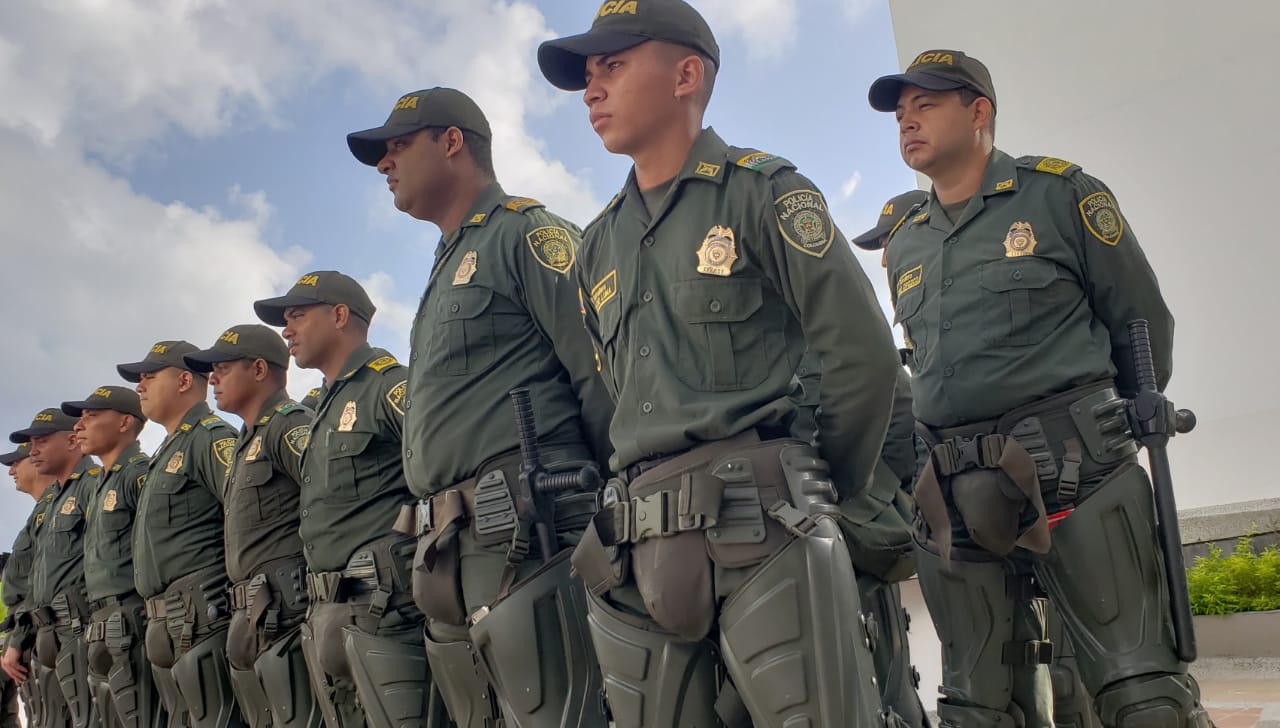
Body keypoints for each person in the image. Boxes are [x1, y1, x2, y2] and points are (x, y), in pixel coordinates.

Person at [538, 2, 901, 725]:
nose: (591, 89)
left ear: (685, 74)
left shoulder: (762, 191)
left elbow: (863, 357)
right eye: (587, 73)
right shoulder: (597, 248)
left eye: (612, 65)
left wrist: (819, 488)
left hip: (764, 529)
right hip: (639, 549)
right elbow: (619, 400)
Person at [868, 49, 1209, 728]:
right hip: (955, 495)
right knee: (974, 707)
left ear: (979, 112)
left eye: (926, 105)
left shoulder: (1060, 194)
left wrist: (1108, 418)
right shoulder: (906, 239)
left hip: (1076, 474)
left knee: (1141, 695)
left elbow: (1140, 324)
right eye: (901, 112)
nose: (908, 122)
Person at [346, 86, 613, 728]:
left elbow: (602, 370)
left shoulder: (526, 234)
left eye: (398, 146)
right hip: (452, 546)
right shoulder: (446, 265)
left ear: (453, 141)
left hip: (526, 528)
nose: (385, 164)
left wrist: (609, 499)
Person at [253, 272, 445, 728]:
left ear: (339, 316)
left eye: (297, 315)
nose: (287, 330)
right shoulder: (319, 410)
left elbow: (437, 472)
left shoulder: (387, 385)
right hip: (329, 615)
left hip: (384, 611)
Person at [184, 326, 321, 728]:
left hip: (286, 613)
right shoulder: (246, 441)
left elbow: (327, 500)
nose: (212, 379)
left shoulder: (288, 424)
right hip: (253, 618)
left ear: (259, 369)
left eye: (222, 368)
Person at [116, 342, 243, 728]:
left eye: (149, 376)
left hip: (202, 617)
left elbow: (244, 514)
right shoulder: (164, 453)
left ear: (185, 380)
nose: (140, 386)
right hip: (166, 624)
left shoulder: (210, 437)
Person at [60, 387, 162, 728]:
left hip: (132, 622)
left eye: (91, 416)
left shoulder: (139, 474)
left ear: (124, 422)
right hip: (101, 624)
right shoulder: (101, 483)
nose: (79, 426)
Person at [9, 408, 98, 728]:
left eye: (41, 442)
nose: (32, 452)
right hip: (46, 635)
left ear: (72, 440)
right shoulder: (54, 503)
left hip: (82, 628)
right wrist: (18, 639)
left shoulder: (93, 485)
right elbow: (35, 582)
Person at [2, 441, 59, 728]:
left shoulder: (55, 510)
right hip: (27, 640)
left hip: (41, 635)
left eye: (17, 461)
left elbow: (39, 583)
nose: (11, 470)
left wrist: (16, 639)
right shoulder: (40, 513)